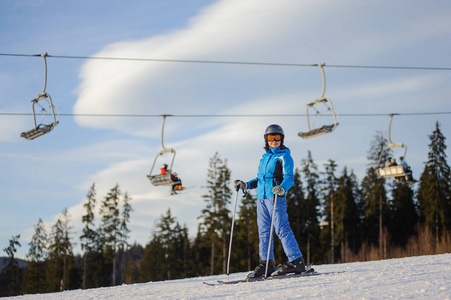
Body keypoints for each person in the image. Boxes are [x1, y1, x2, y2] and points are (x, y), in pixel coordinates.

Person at [234, 124, 305, 279]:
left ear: (282, 139)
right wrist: (246, 185)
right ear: (266, 140)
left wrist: (282, 189)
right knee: (264, 232)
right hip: (262, 199)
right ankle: (267, 263)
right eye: (271, 138)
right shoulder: (264, 157)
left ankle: (296, 260)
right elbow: (260, 179)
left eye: (277, 138)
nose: (274, 141)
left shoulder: (284, 156)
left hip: (275, 198)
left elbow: (289, 178)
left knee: (281, 228)